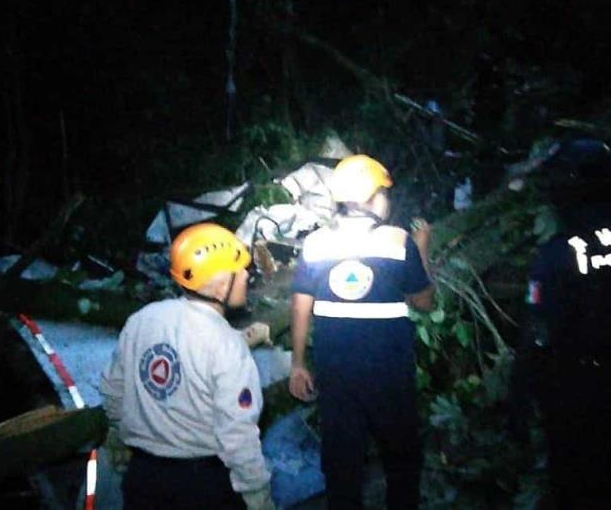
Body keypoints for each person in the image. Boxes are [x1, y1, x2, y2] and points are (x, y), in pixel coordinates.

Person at [509, 139, 611, 508]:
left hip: (579, 395)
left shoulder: (559, 253)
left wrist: (518, 397)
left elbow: (539, 332)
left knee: (578, 487)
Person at [289, 154, 435, 509]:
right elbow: (425, 302)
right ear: (372, 197)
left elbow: (300, 304)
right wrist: (423, 248)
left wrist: (297, 363)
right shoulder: (400, 241)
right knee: (401, 461)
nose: (387, 200)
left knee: (342, 467)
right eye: (383, 193)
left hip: (335, 374)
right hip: (389, 374)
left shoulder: (316, 243)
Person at [100, 223, 274, 510]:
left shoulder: (142, 320)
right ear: (221, 285)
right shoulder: (227, 345)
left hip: (143, 480)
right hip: (203, 487)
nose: (247, 275)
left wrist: (119, 431)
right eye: (240, 270)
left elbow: (112, 389)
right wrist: (258, 494)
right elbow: (238, 434)